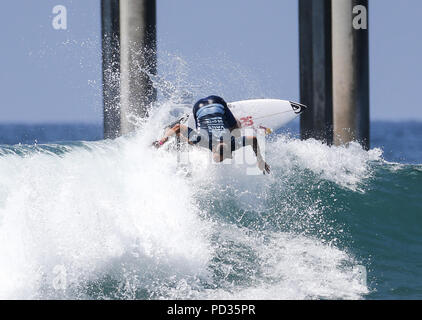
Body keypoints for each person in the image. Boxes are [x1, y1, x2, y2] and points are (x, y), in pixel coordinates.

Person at [153, 95, 270, 174]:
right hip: (200, 107)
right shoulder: (205, 141)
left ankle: (178, 136)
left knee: (234, 131)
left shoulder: (232, 143)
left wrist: (260, 160)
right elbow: (178, 127)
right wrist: (161, 142)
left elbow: (253, 139)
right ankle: (236, 120)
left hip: (215, 103)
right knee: (235, 129)